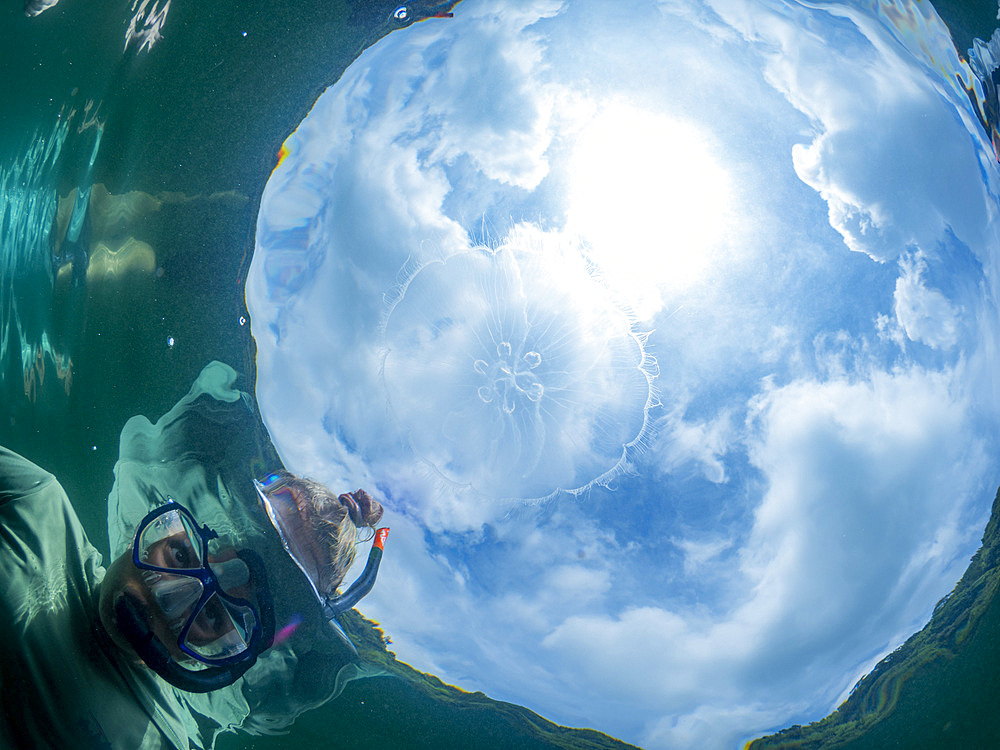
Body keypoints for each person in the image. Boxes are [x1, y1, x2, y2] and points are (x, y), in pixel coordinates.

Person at [0, 361, 386, 749]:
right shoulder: (30, 506)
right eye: (182, 556)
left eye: (212, 614)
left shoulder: (166, 741)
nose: (166, 597)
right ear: (155, 531)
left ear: (210, 653)